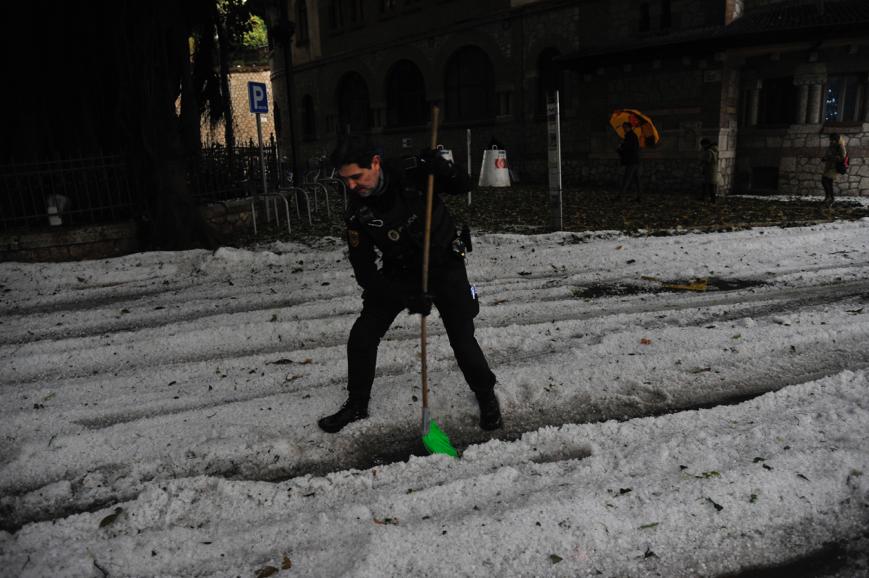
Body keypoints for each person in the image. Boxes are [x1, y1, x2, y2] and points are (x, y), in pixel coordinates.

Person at [317, 138, 502, 434]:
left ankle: (486, 395)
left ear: (375, 163)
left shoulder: (414, 172)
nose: (351, 186)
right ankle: (356, 404)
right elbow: (365, 272)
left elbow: (464, 185)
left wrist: (443, 169)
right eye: (345, 180)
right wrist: (406, 296)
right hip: (400, 272)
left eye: (356, 177)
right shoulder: (358, 212)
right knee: (362, 336)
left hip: (444, 265)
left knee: (463, 338)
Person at [618, 121, 642, 200]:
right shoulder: (632, 136)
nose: (623, 129)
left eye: (624, 127)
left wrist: (621, 147)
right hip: (635, 160)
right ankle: (639, 196)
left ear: (628, 127)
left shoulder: (630, 136)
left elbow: (628, 148)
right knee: (636, 179)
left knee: (627, 178)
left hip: (632, 160)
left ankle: (621, 196)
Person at [821, 133, 847, 207]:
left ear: (837, 140)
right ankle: (830, 198)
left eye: (833, 140)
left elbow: (842, 157)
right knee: (829, 182)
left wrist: (831, 157)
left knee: (824, 180)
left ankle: (828, 197)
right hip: (828, 166)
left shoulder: (840, 146)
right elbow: (828, 154)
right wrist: (825, 158)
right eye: (831, 139)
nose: (832, 141)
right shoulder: (831, 145)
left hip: (835, 167)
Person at [699, 138, 722, 203]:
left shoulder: (709, 151)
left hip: (709, 170)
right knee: (711, 185)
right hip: (713, 169)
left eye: (702, 145)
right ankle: (712, 199)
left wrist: (701, 162)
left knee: (707, 185)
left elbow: (707, 160)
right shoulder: (715, 150)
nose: (702, 147)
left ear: (705, 144)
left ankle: (708, 198)